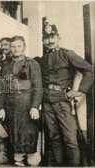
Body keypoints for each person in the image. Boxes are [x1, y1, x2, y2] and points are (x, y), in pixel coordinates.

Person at [39, 22, 94, 166]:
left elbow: (90, 70)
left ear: (58, 37)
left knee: (71, 140)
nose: (50, 41)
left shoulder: (67, 54)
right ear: (42, 40)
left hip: (63, 101)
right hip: (46, 101)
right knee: (54, 138)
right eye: (46, 38)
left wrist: (80, 91)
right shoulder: (42, 59)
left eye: (52, 37)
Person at [0, 35, 43, 166]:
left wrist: (35, 106)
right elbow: (2, 89)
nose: (16, 49)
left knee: (29, 136)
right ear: (10, 48)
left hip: (27, 106)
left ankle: (34, 160)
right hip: (10, 106)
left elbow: (38, 88)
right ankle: (18, 161)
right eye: (13, 46)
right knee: (14, 134)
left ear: (24, 47)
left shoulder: (32, 65)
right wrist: (1, 107)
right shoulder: (6, 66)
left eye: (19, 46)